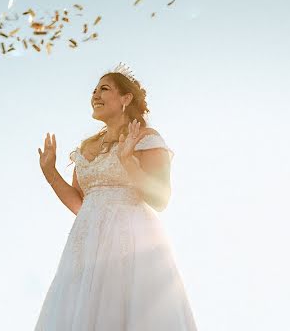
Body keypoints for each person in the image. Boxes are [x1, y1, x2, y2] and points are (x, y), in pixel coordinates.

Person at [35, 65, 196, 330]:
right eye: (94, 90)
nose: (95, 95)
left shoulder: (147, 138)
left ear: (126, 99)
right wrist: (50, 172)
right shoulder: (87, 148)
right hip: (86, 243)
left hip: (131, 239)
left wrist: (127, 162)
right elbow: (80, 203)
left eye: (104, 89)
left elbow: (160, 199)